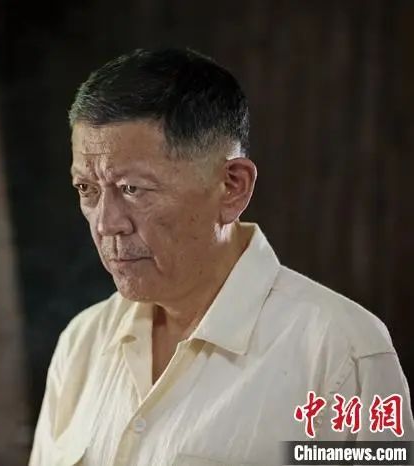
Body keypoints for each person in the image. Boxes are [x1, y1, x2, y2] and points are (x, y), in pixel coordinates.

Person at [28, 48, 414, 466]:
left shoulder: (342, 352)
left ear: (232, 187)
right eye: (87, 189)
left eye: (132, 189)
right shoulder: (82, 343)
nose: (106, 224)